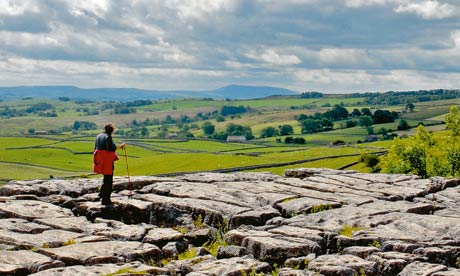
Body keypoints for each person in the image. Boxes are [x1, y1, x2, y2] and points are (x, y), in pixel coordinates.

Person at [93, 123, 125, 205]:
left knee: (105, 176)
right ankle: (106, 200)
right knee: (109, 178)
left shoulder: (99, 136)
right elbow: (110, 148)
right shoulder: (108, 137)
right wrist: (120, 147)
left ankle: (101, 193)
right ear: (112, 131)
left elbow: (95, 147)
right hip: (106, 159)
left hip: (99, 158)